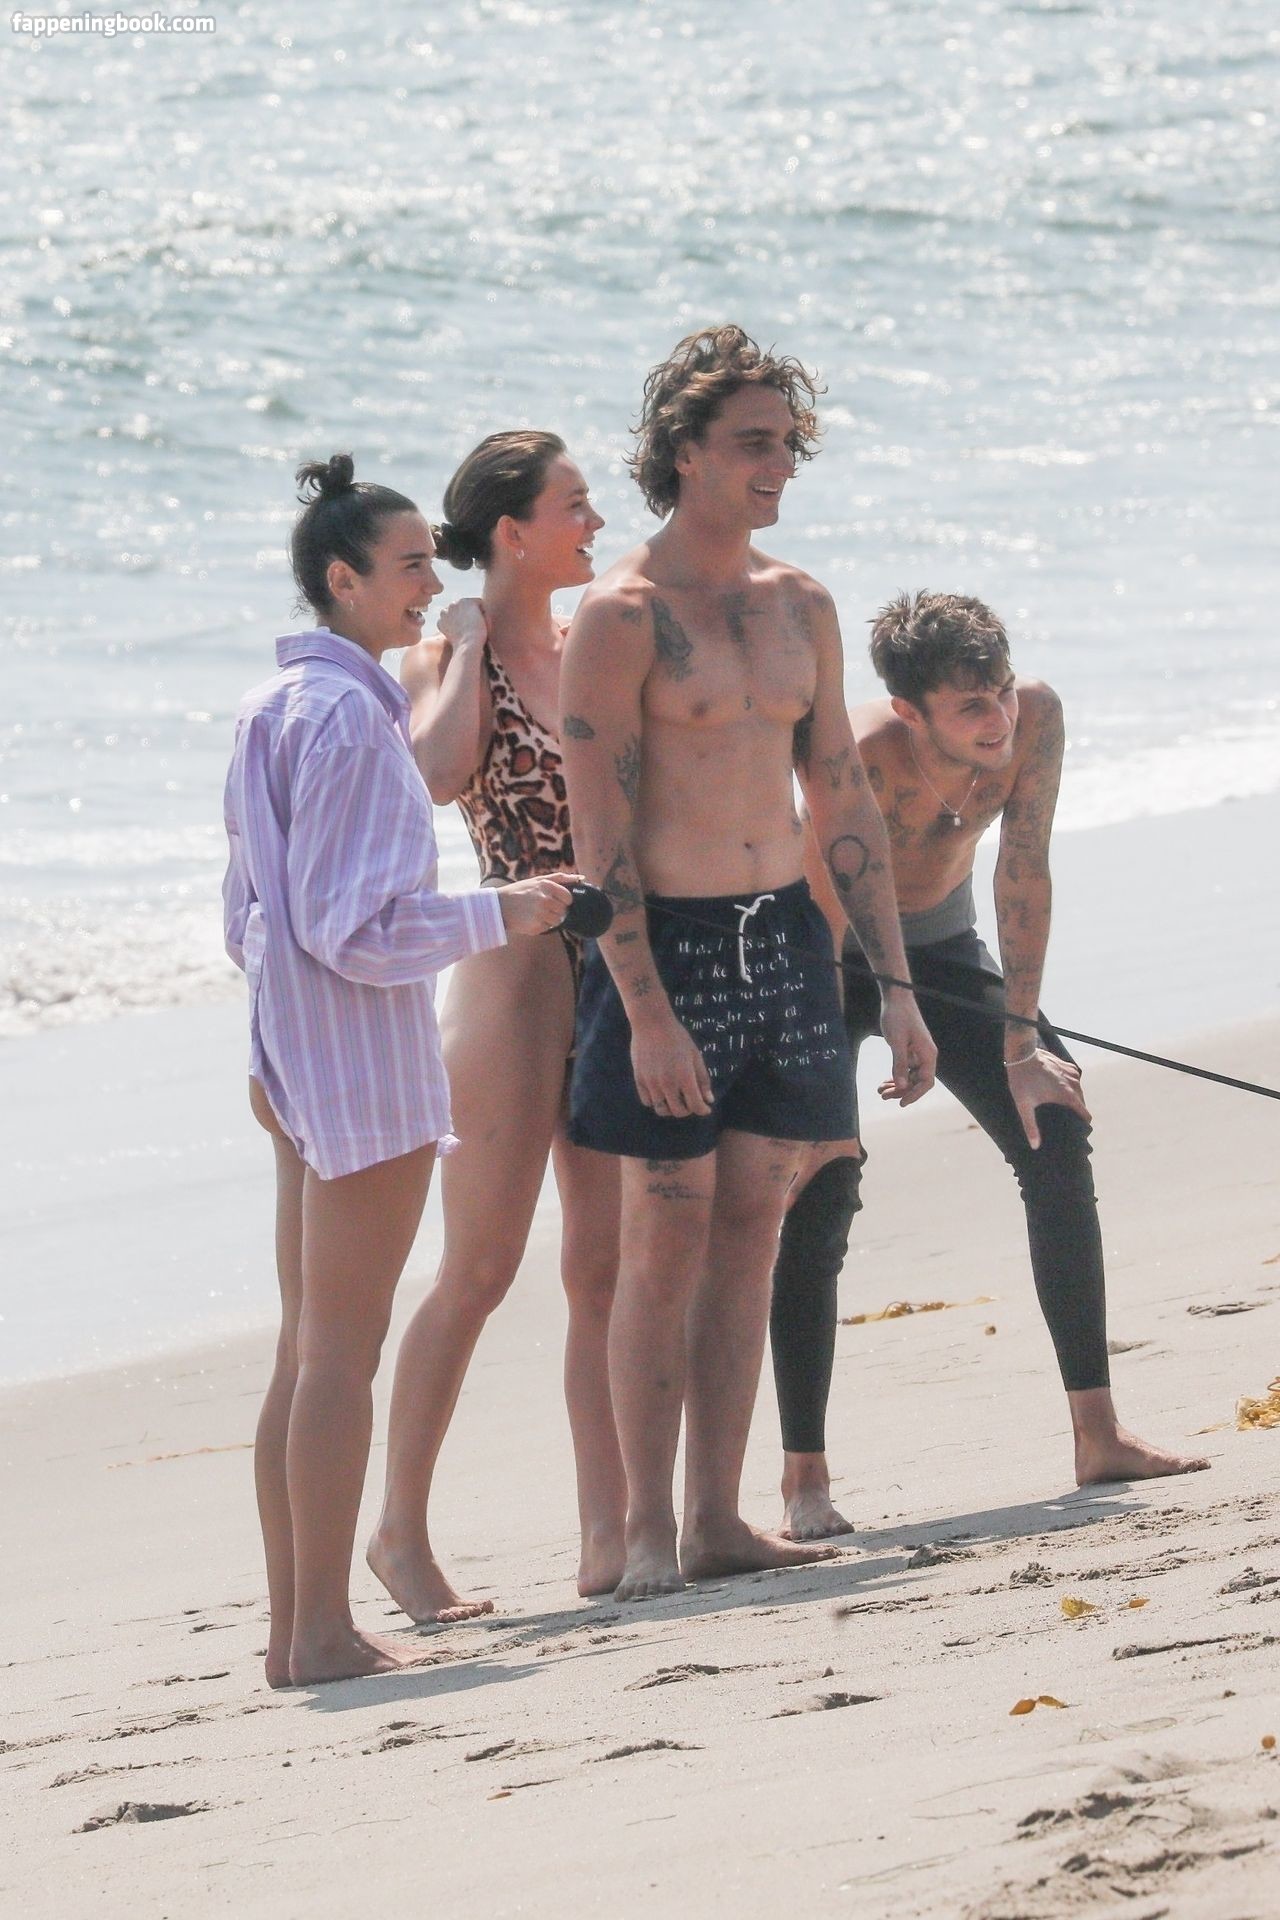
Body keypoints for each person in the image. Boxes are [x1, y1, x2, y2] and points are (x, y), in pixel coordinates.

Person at [560, 327, 938, 1601]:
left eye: (786, 444)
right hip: (665, 947)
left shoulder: (799, 604)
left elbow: (840, 796)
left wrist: (893, 985)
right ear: (683, 452)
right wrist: (643, 1011)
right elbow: (598, 832)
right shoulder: (619, 617)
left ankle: (716, 1517)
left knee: (751, 1229)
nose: (777, 465)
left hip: (782, 938)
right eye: (751, 444)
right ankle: (644, 1532)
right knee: (661, 1234)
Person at [222, 453, 574, 1686]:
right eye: (411, 563)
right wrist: (504, 909)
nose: (433, 581)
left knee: (304, 1353)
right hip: (355, 1066)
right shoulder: (348, 720)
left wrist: (286, 1021)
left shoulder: (272, 707)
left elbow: (247, 915)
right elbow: (352, 928)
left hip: (287, 1054)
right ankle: (320, 1631)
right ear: (343, 579)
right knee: (336, 1358)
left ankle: (298, 1632)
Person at [769, 590, 1210, 1542]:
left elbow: (1024, 869)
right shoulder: (863, 752)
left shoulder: (1034, 718)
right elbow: (823, 909)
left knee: (1055, 1127)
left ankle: (1098, 1433)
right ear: (911, 710)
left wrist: (1020, 1045)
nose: (997, 717)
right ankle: (805, 1479)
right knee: (822, 1178)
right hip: (822, 959)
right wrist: (827, 1082)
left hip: (943, 947)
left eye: (1001, 690)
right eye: (971, 705)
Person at [367, 432, 628, 1619]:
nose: (597, 521)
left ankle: (608, 1533)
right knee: (477, 1267)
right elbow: (434, 776)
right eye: (576, 503)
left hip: (622, 970)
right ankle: (397, 1534)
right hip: (512, 969)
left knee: (603, 1269)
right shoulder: (438, 655)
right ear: (513, 532)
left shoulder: (600, 642)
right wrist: (469, 642)